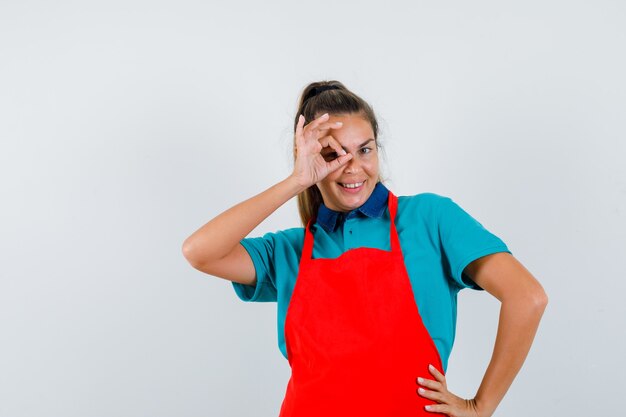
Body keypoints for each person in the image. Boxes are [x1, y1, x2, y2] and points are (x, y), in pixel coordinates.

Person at [182, 81, 548, 417]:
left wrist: (480, 406)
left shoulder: (429, 219)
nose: (352, 167)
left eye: (364, 150)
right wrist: (296, 181)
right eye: (333, 155)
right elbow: (199, 250)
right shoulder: (288, 252)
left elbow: (527, 297)